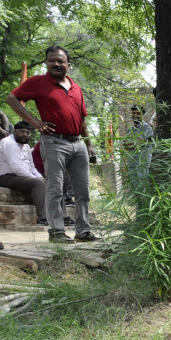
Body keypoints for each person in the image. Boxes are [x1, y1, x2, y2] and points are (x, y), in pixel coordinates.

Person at [7, 45, 98, 243]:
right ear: (46, 63)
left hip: (78, 144)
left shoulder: (76, 87)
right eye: (52, 60)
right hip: (54, 142)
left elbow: (82, 119)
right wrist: (34, 122)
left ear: (68, 64)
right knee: (55, 189)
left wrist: (89, 144)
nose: (56, 64)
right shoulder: (39, 83)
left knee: (82, 191)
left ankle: (83, 231)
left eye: (60, 61)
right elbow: (11, 98)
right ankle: (56, 232)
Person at [0, 121, 46, 225]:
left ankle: (61, 217)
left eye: (27, 132)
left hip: (20, 176)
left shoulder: (26, 146)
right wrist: (37, 180)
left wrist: (40, 177)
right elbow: (16, 167)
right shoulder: (9, 143)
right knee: (38, 184)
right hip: (6, 176)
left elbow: (32, 167)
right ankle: (43, 218)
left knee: (51, 183)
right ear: (15, 131)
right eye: (22, 131)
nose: (25, 134)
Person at [124, 104, 153, 189]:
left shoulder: (147, 128)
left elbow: (141, 143)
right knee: (134, 188)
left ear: (142, 115)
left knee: (143, 188)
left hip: (143, 164)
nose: (135, 115)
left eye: (138, 113)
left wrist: (135, 143)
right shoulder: (130, 130)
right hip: (132, 164)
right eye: (133, 113)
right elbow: (126, 146)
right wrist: (136, 142)